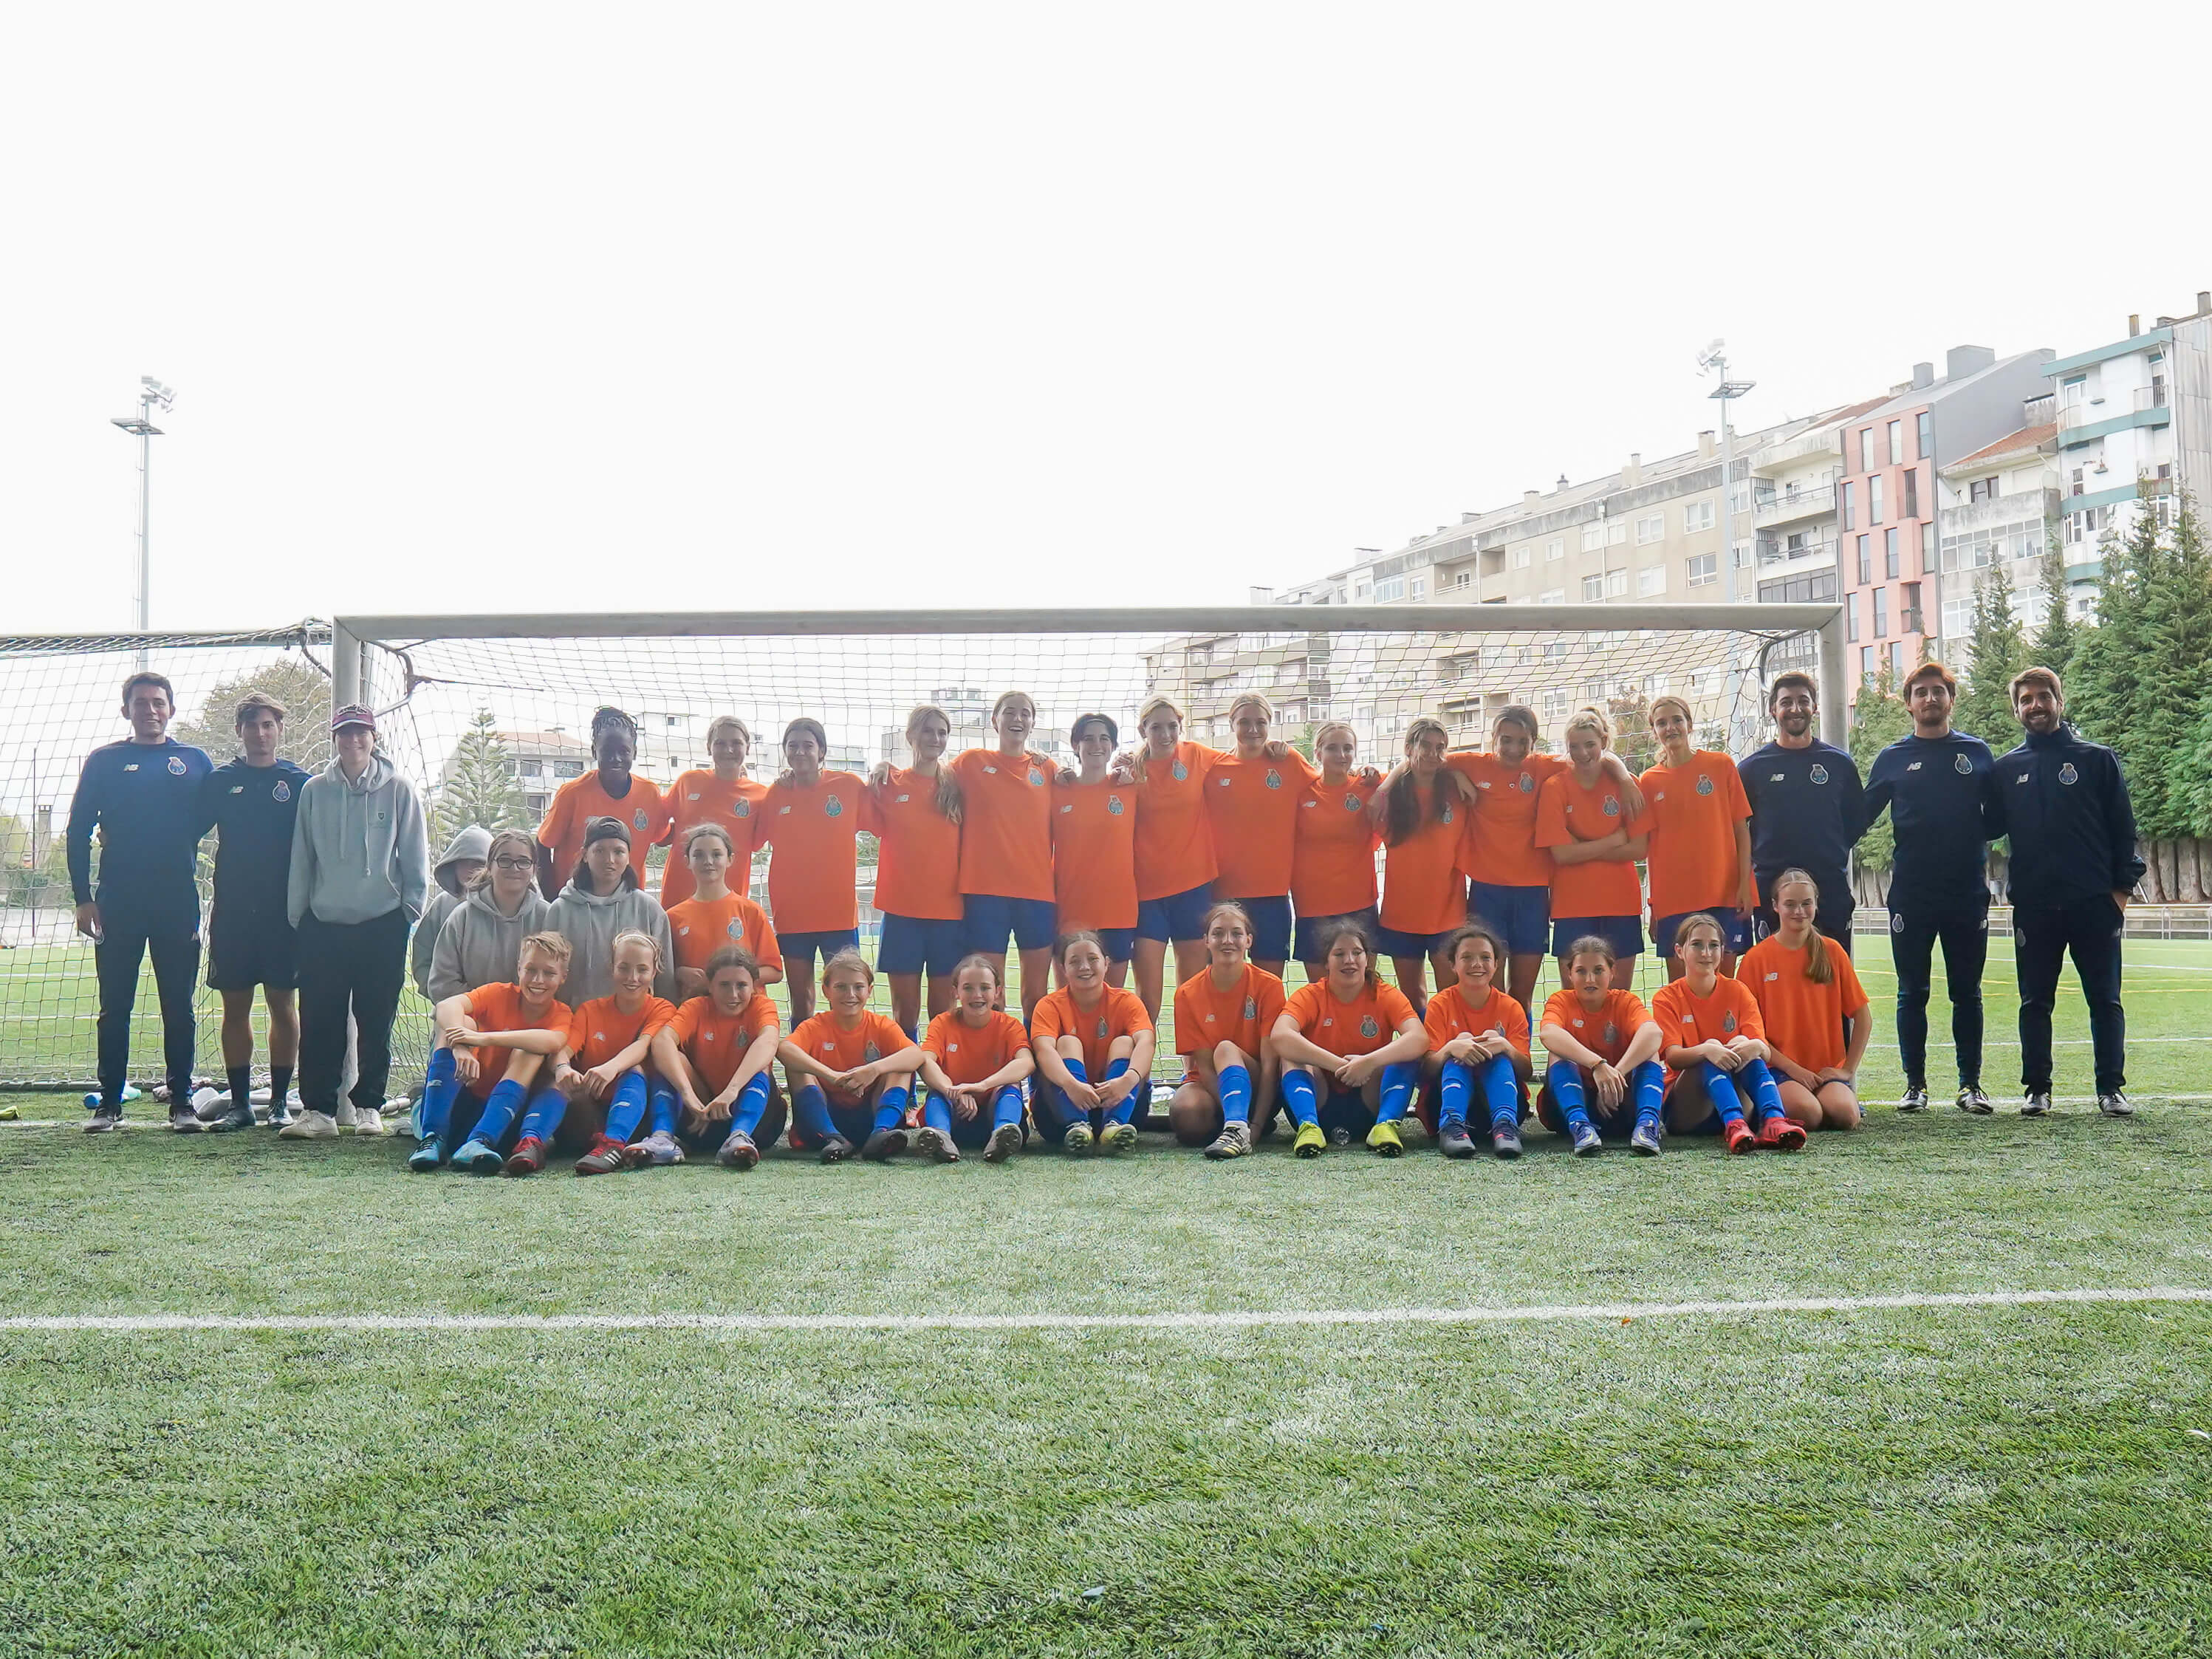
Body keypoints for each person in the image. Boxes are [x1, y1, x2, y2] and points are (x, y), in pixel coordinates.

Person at [1992, 666, 2144, 1118]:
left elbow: (2124, 828)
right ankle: (2037, 1089)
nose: (2035, 705)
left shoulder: (2097, 759)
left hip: (2093, 903)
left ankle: (2111, 1089)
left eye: (2044, 696)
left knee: (2105, 998)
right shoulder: (2007, 769)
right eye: (2026, 700)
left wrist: (2119, 892)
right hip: (2035, 906)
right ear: (2017, 709)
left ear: (2061, 701)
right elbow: (1984, 826)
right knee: (2035, 1001)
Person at [68, 670, 213, 1132]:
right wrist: (82, 898)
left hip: (177, 901)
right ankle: (109, 1103)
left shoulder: (194, 760)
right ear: (125, 709)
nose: (150, 710)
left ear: (171, 708)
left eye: (158, 702)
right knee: (115, 1005)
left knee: (180, 1005)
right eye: (141, 703)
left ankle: (182, 1103)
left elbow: (212, 819)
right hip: (117, 902)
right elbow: (77, 832)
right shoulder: (104, 761)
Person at [1858, 660, 2003, 1113]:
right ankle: (1915, 1085)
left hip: (1966, 892)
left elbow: (1998, 819)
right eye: (1920, 692)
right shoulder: (1892, 758)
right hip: (1912, 895)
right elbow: (1859, 819)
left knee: (1967, 990)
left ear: (1951, 700)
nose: (1929, 698)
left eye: (1938, 691)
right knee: (1911, 991)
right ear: (1908, 704)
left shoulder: (1977, 754)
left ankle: (1970, 1084)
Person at [283, 703, 429, 1140]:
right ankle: (319, 1112)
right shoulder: (314, 790)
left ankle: (368, 1106)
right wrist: (299, 914)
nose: (353, 742)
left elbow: (414, 853)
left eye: (360, 733)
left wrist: (410, 910)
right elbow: (301, 855)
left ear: (373, 737)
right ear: (334, 739)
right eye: (344, 734)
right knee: (320, 1020)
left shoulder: (399, 788)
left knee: (376, 1017)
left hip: (382, 921)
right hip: (324, 923)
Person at [194, 691, 309, 1132]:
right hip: (234, 914)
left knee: (284, 1002)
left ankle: (280, 1103)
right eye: (252, 725)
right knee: (235, 1006)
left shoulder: (300, 782)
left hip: (284, 915)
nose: (260, 734)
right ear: (239, 731)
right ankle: (241, 1104)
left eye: (268, 725)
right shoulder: (221, 781)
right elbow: (183, 830)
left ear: (279, 730)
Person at [414, 931, 575, 1172]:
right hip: (459, 1103)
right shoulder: (498, 993)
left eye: (549, 973)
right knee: (458, 1024)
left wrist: (483, 1039)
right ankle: (432, 1137)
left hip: (501, 1120)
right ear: (519, 968)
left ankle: (480, 1141)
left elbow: (551, 1041)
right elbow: (445, 1006)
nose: (538, 980)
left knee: (529, 1049)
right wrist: (461, 1045)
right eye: (530, 970)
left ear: (563, 977)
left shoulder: (561, 1013)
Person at [1648, 914, 1804, 1155]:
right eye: (1697, 945)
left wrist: (1750, 1046)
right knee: (1711, 1048)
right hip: (1688, 1113)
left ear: (1723, 950)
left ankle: (1773, 1120)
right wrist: (1707, 1050)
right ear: (1680, 951)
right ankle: (1734, 1123)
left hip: (1741, 1100)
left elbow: (1763, 1048)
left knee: (1743, 1042)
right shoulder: (1666, 998)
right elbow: (1673, 1058)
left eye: (1713, 946)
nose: (1706, 953)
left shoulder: (1738, 990)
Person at [756, 718, 878, 1027]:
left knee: (848, 997)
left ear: (821, 751)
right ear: (785, 752)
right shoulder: (775, 794)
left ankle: (848, 1066)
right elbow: (754, 840)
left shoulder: (849, 786)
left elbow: (882, 822)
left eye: (807, 745)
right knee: (801, 999)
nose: (800, 752)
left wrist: (885, 771)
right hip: (793, 914)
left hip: (838, 914)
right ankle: (802, 1072)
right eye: (792, 746)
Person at [948, 691, 1060, 1022]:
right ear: (995, 720)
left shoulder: (1048, 769)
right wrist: (886, 768)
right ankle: (999, 1069)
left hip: (1037, 894)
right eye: (1009, 712)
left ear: (1033, 722)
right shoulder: (970, 762)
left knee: (1036, 994)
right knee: (989, 991)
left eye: (1025, 713)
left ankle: (1039, 1070)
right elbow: (927, 777)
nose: (1017, 719)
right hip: (985, 893)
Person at [1272, 920, 1427, 1157]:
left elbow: (1419, 1038)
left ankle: (1385, 1125)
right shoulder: (1311, 995)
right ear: (1326, 961)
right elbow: (1280, 1036)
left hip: (1369, 1103)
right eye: (1339, 954)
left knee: (1405, 1054)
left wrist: (1368, 1062)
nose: (1349, 960)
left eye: (1357, 953)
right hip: (1321, 1102)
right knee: (1291, 1056)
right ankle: (1308, 1126)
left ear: (1367, 959)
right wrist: (1339, 1066)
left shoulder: (1384, 994)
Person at [1202, 694, 1325, 979]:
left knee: (1269, 984)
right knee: (1223, 982)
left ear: (1271, 724)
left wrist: (1368, 777)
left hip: (1273, 894)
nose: (1253, 729)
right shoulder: (1214, 768)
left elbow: (1330, 787)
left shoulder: (1288, 761)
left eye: (1261, 722)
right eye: (1244, 722)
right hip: (1224, 894)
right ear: (1232, 724)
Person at [1738, 869, 1871, 1132]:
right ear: (1775, 906)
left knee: (1846, 1116)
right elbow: (1750, 1032)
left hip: (1824, 1072)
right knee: (1807, 1114)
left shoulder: (1832, 951)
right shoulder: (1756, 959)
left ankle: (1829, 1097)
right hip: (1777, 1068)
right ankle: (1766, 1104)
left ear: (1816, 905)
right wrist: (1795, 1071)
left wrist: (1847, 1070)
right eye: (1790, 904)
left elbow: (1863, 1017)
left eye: (1806, 903)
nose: (1799, 911)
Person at [1739, 671, 1864, 950]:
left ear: (1814, 707)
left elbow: (1856, 821)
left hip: (1829, 885)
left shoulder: (1839, 764)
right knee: (1776, 979)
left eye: (1803, 701)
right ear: (1773, 709)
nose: (1795, 709)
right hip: (1771, 886)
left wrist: (1828, 849)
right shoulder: (1751, 769)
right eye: (1786, 702)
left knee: (1831, 975)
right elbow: (1738, 831)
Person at [544, 929, 682, 1175]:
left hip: (639, 1115)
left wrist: (611, 1067)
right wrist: (563, 1067)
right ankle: (530, 1141)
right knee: (558, 1085)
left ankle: (614, 1144)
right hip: (592, 1112)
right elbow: (562, 1050)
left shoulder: (663, 1008)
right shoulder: (590, 1010)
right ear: (612, 968)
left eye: (642, 969)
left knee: (634, 1068)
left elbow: (643, 1045)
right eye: (624, 968)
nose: (633, 977)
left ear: (655, 972)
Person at [1123, 697, 1224, 1023]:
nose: (1165, 734)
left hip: (1193, 889)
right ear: (1143, 731)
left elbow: (1245, 760)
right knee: (1148, 994)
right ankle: (1139, 1070)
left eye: (1172, 727)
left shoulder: (1197, 755)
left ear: (1181, 728)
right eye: (1156, 727)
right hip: (1146, 894)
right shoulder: (1130, 772)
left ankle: (1192, 1071)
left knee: (1191, 990)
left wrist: (1276, 748)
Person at [868, 704, 968, 1035]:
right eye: (928, 731)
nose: (935, 738)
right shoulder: (889, 783)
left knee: (942, 1013)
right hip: (902, 914)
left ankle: (941, 1080)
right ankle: (904, 1082)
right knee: (905, 1014)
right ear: (911, 736)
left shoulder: (958, 785)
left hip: (948, 914)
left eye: (942, 732)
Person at [1534, 707, 1651, 990]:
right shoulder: (1555, 786)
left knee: (1619, 996)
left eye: (1590, 745)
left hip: (1620, 901)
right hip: (1572, 904)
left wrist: (1581, 847)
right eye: (1574, 746)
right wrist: (1612, 840)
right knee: (1574, 996)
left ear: (1605, 742)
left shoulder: (1628, 785)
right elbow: (1561, 855)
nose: (1582, 753)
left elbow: (1639, 849)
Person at [1640, 695, 1754, 979]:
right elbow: (1651, 848)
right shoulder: (1649, 781)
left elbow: (1742, 830)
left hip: (1723, 894)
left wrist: (1745, 886)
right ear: (1654, 731)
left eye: (1677, 720)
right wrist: (1655, 907)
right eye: (1662, 723)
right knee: (1681, 993)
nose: (1671, 728)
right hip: (1674, 901)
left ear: (1689, 725)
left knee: (1723, 986)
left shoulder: (1721, 765)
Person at [778, 948, 924, 1162]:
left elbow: (916, 1054)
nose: (850, 995)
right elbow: (784, 1049)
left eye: (858, 987)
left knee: (900, 1065)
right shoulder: (815, 1026)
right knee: (797, 1067)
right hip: (823, 1123)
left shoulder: (881, 1025)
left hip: (870, 1118)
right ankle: (833, 1138)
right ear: (826, 991)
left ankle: (880, 1135)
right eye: (841, 987)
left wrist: (873, 1070)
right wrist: (831, 1075)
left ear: (870, 990)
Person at [1167, 903, 1286, 1160]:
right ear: (1206, 941)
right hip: (1212, 1086)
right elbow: (1206, 1070)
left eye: (1236, 933)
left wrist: (1256, 1126)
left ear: (1249, 941)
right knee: (1187, 1116)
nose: (1227, 940)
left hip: (1257, 1083)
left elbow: (1269, 1066)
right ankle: (1234, 1123)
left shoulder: (1270, 986)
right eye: (1218, 933)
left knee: (1226, 1049)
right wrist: (1238, 1115)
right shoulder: (1187, 994)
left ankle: (1240, 1128)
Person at [652, 945, 786, 1169]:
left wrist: (731, 1091)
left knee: (761, 1065)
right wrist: (688, 1095)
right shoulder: (696, 1007)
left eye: (741, 985)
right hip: (701, 1120)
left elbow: (768, 1041)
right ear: (710, 985)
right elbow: (662, 1041)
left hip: (759, 1126)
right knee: (669, 1058)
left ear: (754, 986)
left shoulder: (762, 1006)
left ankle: (739, 1136)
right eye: (724, 985)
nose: (733, 994)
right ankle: (662, 1138)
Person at [1534, 936, 1665, 1158]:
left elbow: (1654, 1033)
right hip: (1570, 1105)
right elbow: (1548, 1034)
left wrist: (1615, 1076)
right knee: (1557, 1053)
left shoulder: (1625, 1001)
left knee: (1649, 1052)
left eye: (1598, 970)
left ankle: (1647, 1126)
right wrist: (1597, 1065)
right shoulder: (1561, 1001)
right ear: (1569, 974)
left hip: (1617, 1101)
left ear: (1612, 972)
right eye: (1581, 971)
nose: (1590, 979)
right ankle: (1580, 1126)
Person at [1030, 930, 1157, 1154]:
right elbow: (1043, 1051)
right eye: (1075, 961)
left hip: (1122, 1103)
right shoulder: (1049, 1005)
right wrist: (1072, 1085)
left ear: (1107, 964)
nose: (1085, 967)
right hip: (1060, 1114)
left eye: (1092, 959)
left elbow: (1147, 1041)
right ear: (1063, 969)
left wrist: (1129, 1079)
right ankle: (1078, 1125)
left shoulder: (1127, 1002)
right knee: (1068, 1042)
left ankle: (1114, 1126)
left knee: (1126, 1043)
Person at [1374, 718, 1469, 1011]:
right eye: (1425, 746)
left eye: (1440, 748)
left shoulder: (1456, 788)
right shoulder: (1389, 794)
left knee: (1450, 996)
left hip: (1448, 912)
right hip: (1402, 913)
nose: (1433, 753)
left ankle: (1451, 1054)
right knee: (1413, 999)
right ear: (1408, 748)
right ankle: (1421, 1055)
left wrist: (1456, 772)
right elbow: (1368, 809)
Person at [1420, 922, 1532, 1160]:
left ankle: (1505, 1127)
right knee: (1458, 1054)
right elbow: (1427, 1069)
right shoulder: (1440, 1004)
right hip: (1444, 1103)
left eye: (1485, 957)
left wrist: (1506, 1047)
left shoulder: (1511, 1007)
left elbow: (1526, 1070)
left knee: (1500, 1056)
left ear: (1496, 964)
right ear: (1453, 964)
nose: (1477, 964)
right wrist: (1451, 1048)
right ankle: (1452, 1126)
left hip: (1503, 1105)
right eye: (1467, 957)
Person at [535, 707, 670, 900]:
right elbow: (542, 843)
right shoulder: (572, 793)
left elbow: (661, 836)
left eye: (624, 751)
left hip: (626, 904)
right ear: (594, 751)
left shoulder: (650, 794)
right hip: (577, 902)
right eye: (607, 751)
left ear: (635, 752)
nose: (616, 758)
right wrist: (552, 899)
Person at [916, 954, 1037, 1164]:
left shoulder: (1009, 1026)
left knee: (1010, 1086)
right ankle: (941, 1137)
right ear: (956, 992)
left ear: (998, 992)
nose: (977, 995)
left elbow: (1027, 1062)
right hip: (955, 1115)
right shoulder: (942, 1023)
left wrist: (983, 1086)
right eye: (968, 988)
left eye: (985, 987)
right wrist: (952, 1091)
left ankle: (1003, 1133)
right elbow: (925, 1062)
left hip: (991, 1111)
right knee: (937, 1092)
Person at [546, 815, 677, 1006]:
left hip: (634, 1023)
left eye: (618, 852)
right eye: (599, 851)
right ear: (584, 854)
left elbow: (666, 979)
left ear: (628, 856)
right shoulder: (560, 910)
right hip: (575, 1020)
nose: (610, 860)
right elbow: (547, 971)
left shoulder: (649, 910)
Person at [1050, 712, 1140, 985]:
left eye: (1104, 739)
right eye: (1088, 739)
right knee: (1067, 1002)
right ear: (1076, 746)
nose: (1096, 745)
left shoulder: (1131, 786)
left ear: (1113, 746)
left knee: (1112, 1002)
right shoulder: (1057, 789)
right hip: (1070, 910)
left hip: (1118, 909)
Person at [1290, 721, 1382, 984]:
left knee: (1365, 985)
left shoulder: (1367, 786)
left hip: (1359, 902)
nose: (1341, 755)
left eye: (1347, 748)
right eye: (1332, 748)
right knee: (1320, 991)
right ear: (1317, 753)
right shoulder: (1301, 791)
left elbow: (1409, 770)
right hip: (1313, 905)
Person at [426, 828, 554, 1004]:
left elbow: (559, 979)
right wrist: (487, 1009)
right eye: (505, 860)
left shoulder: (549, 917)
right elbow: (441, 984)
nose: (514, 868)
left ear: (533, 869)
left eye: (523, 862)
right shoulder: (462, 918)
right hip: (471, 1020)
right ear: (489, 866)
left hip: (530, 1023)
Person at [659, 715, 767, 910]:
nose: (729, 750)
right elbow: (658, 830)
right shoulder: (688, 782)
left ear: (748, 748)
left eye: (736, 743)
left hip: (728, 902)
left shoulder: (761, 796)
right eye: (720, 743)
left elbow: (757, 844)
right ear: (709, 747)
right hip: (678, 898)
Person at [664, 823, 783, 998]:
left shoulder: (750, 911)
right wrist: (679, 972)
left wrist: (719, 981)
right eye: (699, 855)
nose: (708, 862)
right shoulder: (672, 917)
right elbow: (662, 970)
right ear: (687, 861)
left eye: (717, 854)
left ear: (730, 859)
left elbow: (774, 971)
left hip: (745, 1014)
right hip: (696, 1013)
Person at [411, 825, 490, 998]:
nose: (471, 870)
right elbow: (422, 957)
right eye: (464, 863)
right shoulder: (442, 905)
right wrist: (438, 992)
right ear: (452, 866)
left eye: (479, 863)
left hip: (496, 1009)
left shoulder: (505, 907)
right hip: (450, 1009)